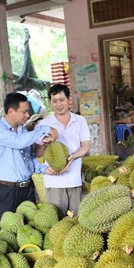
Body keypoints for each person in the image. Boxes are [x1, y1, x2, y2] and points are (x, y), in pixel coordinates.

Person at [0, 92, 58, 230]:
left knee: (30, 228)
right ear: (11, 111)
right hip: (7, 189)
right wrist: (45, 128)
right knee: (6, 232)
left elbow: (29, 158)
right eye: (24, 112)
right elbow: (18, 143)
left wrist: (44, 168)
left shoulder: (22, 131)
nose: (27, 115)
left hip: (27, 188)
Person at [37, 84, 91, 218]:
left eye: (62, 100)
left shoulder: (80, 121)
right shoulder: (44, 124)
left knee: (76, 220)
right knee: (57, 221)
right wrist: (45, 143)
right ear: (50, 102)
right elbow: (38, 153)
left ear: (68, 100)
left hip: (74, 179)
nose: (58, 104)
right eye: (54, 101)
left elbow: (85, 147)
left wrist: (72, 157)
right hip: (54, 180)